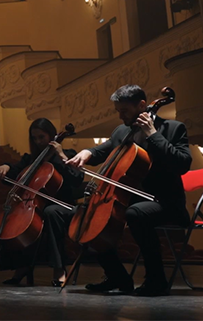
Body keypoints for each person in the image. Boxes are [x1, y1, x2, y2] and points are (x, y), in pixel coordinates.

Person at [66, 84, 192, 297]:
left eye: (124, 111)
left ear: (142, 105)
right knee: (85, 215)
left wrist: (152, 134)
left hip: (166, 203)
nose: (120, 116)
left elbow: (182, 164)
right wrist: (87, 152)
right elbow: (103, 150)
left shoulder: (172, 129)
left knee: (136, 213)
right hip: (129, 201)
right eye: (118, 111)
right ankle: (117, 276)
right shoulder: (122, 132)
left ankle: (156, 280)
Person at [0, 118, 83, 286]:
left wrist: (61, 155)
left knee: (51, 212)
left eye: (42, 137)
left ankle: (59, 268)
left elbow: (77, 179)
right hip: (35, 206)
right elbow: (15, 173)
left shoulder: (68, 154)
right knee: (15, 222)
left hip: (62, 205)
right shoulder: (31, 159)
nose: (38, 142)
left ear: (51, 135)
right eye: (35, 138)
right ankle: (22, 266)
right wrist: (6, 167)